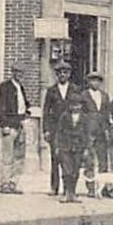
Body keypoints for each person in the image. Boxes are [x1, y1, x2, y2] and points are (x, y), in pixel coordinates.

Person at [41, 61, 79, 197]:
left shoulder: (75, 89)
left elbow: (80, 110)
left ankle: (68, 188)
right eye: (60, 73)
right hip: (55, 129)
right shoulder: (51, 91)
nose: (62, 75)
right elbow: (45, 111)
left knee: (69, 159)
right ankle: (54, 187)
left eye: (65, 73)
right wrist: (45, 130)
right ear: (57, 75)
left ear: (69, 74)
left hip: (70, 130)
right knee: (55, 158)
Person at [0, 66, 31, 194]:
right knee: (8, 156)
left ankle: (13, 183)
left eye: (21, 72)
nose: (19, 74)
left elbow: (24, 104)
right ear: (13, 73)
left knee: (19, 156)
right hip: (10, 125)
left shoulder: (20, 87)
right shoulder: (5, 87)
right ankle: (4, 183)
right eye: (17, 72)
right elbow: (2, 107)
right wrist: (4, 124)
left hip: (20, 124)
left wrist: (27, 112)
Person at [53, 93, 94, 204]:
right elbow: (58, 132)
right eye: (73, 105)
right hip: (65, 146)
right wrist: (57, 146)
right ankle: (66, 193)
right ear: (69, 105)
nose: (75, 107)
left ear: (81, 106)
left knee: (75, 171)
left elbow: (88, 134)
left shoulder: (85, 118)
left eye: (78, 105)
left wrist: (87, 149)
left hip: (79, 147)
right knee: (67, 170)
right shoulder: (64, 116)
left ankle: (73, 193)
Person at [81, 73, 112, 193]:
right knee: (89, 159)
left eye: (98, 81)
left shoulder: (104, 96)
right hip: (88, 130)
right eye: (93, 80)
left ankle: (103, 187)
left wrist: (107, 128)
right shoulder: (83, 95)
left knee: (103, 159)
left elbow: (107, 113)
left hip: (102, 130)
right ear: (89, 82)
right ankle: (91, 188)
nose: (95, 83)